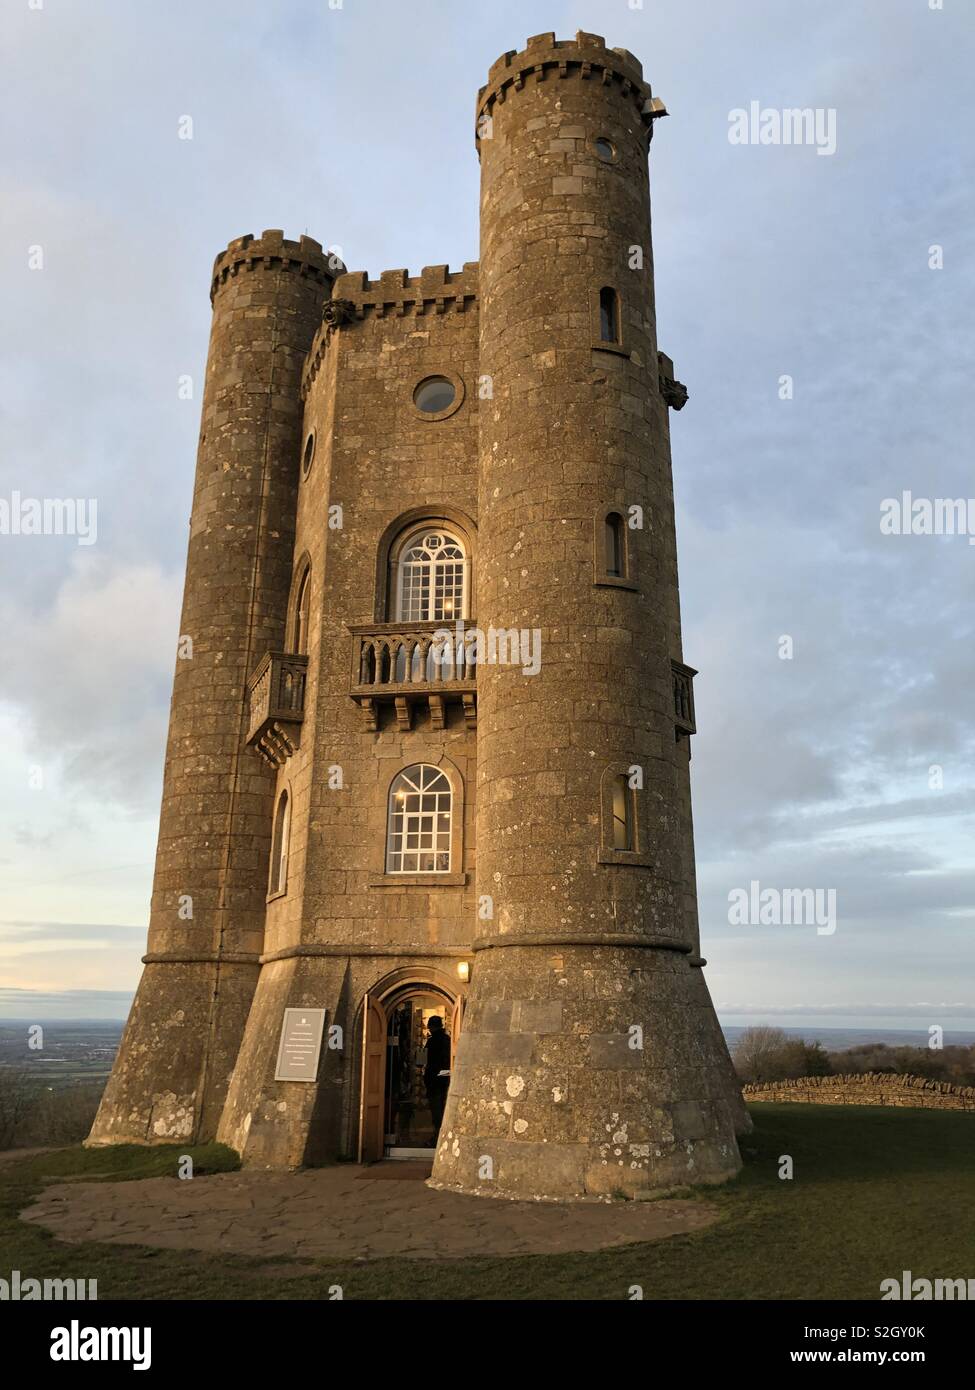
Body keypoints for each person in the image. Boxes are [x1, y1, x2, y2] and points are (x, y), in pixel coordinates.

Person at [423, 1015, 451, 1144]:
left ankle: (437, 1137)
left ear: (431, 1027)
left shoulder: (432, 1041)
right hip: (446, 1077)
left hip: (434, 1079)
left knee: (436, 1109)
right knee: (444, 1106)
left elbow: (423, 1060)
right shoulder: (448, 1040)